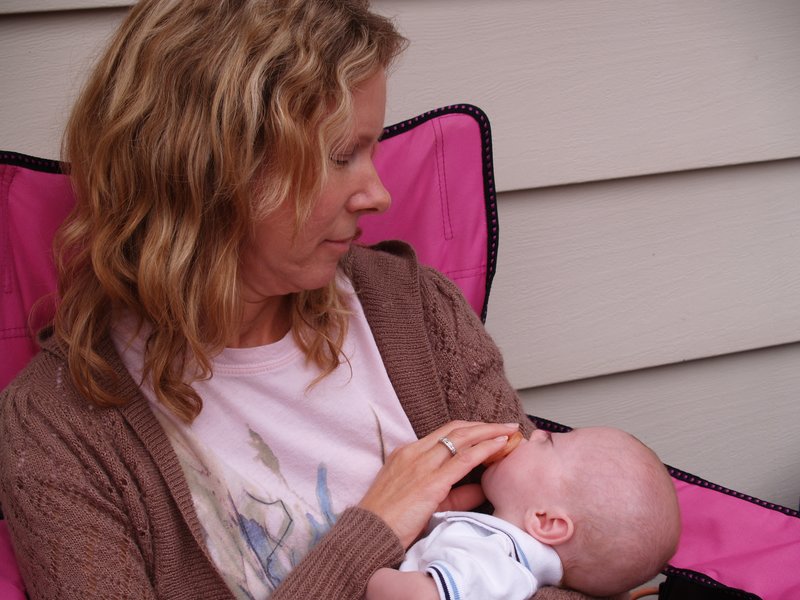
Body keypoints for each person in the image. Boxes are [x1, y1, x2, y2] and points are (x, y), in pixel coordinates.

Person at [0, 1, 596, 599]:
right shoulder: (58, 434)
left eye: (371, 150)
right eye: (340, 156)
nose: (378, 194)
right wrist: (375, 529)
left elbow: (568, 556)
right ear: (207, 169)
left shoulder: (415, 309)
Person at [367, 426, 681, 600]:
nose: (538, 431)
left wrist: (373, 571)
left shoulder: (492, 558)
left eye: (549, 443)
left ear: (546, 521)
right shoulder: (503, 557)